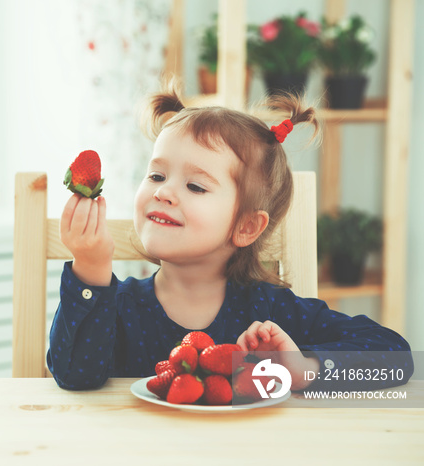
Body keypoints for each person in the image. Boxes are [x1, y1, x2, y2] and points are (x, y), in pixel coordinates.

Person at [47, 82, 413, 393]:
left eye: (194, 185)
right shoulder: (120, 305)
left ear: (247, 227)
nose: (163, 192)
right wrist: (91, 269)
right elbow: (75, 377)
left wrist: (303, 369)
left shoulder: (273, 311)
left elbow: (396, 358)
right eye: (157, 176)